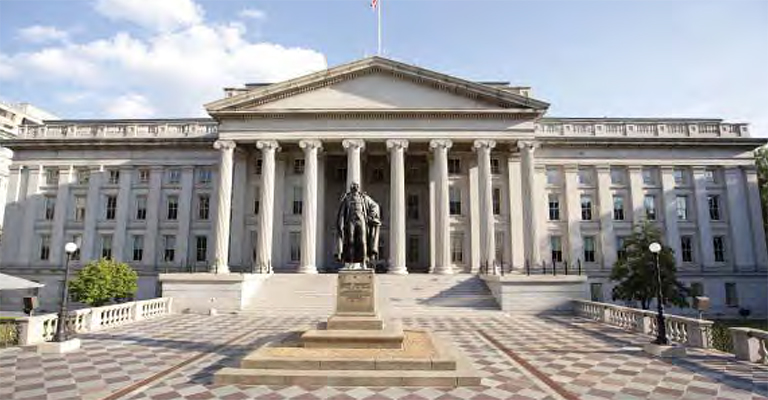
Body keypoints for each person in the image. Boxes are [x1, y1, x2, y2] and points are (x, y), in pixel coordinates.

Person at [335, 182, 380, 269]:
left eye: (356, 186)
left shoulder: (363, 198)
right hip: (350, 221)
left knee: (363, 241)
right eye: (353, 186)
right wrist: (341, 223)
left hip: (361, 220)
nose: (355, 188)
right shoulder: (347, 198)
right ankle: (351, 262)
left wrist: (371, 215)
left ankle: (363, 262)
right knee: (351, 241)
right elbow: (341, 213)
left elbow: (375, 205)